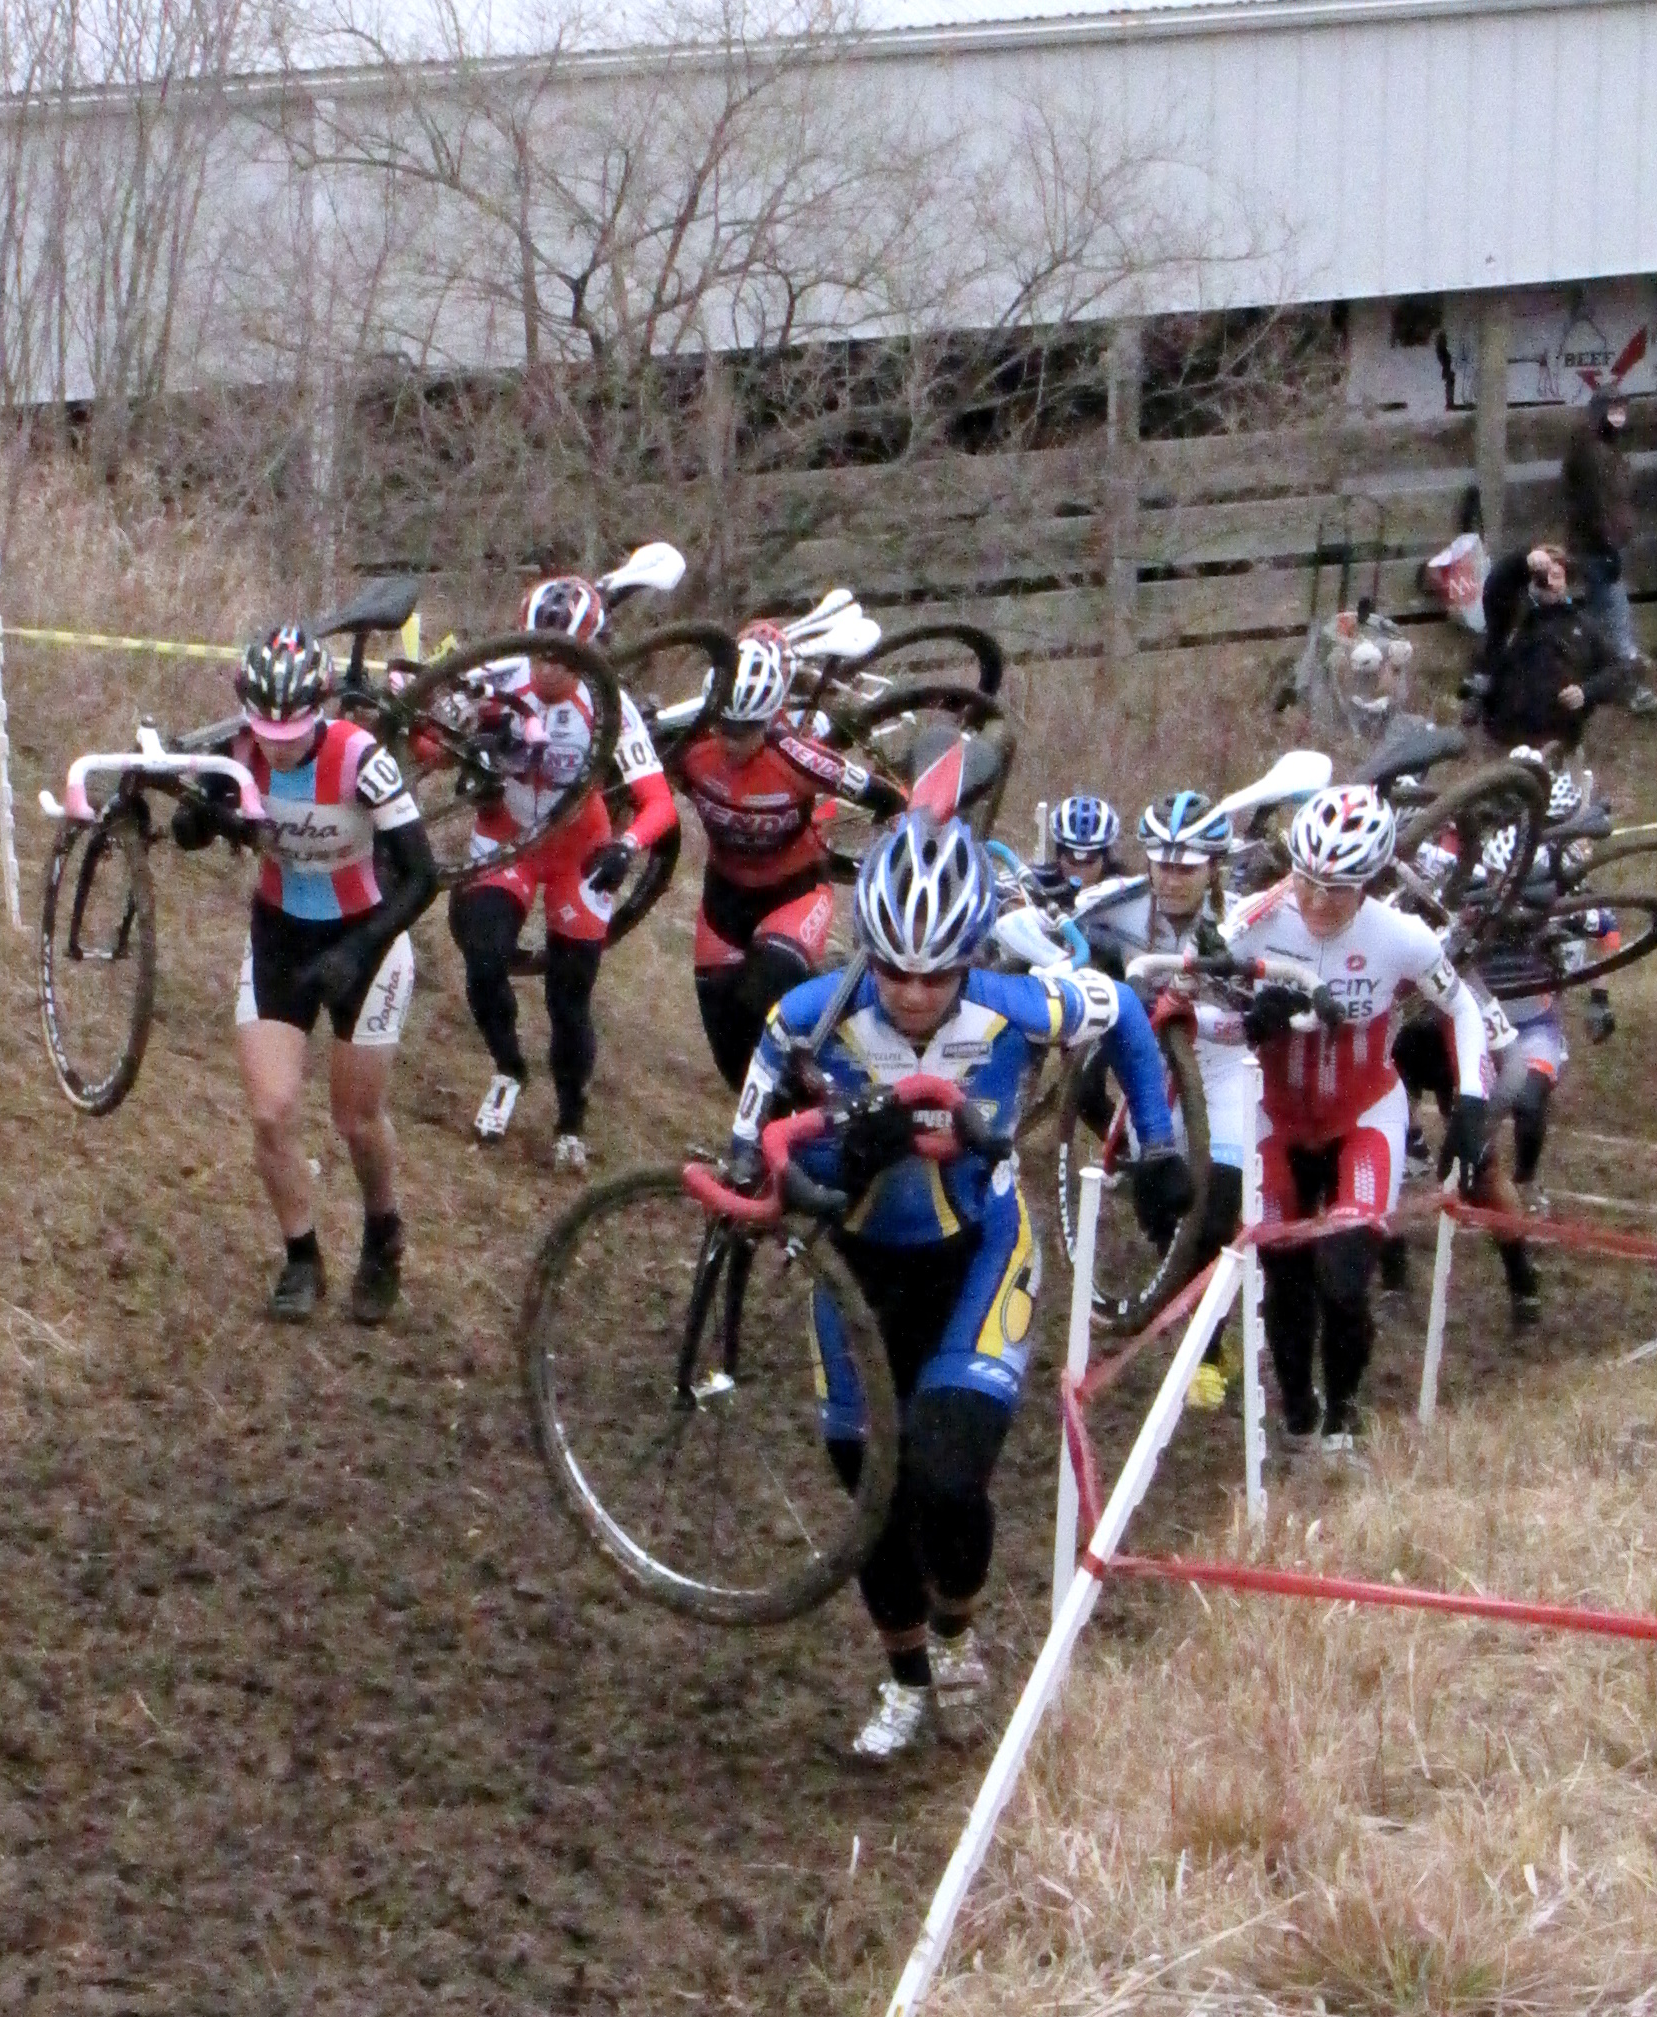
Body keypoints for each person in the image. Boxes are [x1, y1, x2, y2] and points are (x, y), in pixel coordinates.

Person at [727, 811, 1188, 1760]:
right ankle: (902, 1678)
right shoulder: (808, 1017)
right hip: (854, 1265)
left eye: (937, 972)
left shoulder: (1021, 1005)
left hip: (979, 1250)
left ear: (972, 956)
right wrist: (806, 1169)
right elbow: (746, 1161)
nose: (911, 992)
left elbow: (1130, 1016)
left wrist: (1161, 1144)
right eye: (892, 967)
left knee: (945, 1475)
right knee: (872, 1498)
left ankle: (956, 1636)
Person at [180, 624, 438, 1323]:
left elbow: (423, 874)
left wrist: (359, 953)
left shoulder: (360, 757)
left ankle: (383, 1232)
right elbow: (188, 832)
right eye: (265, 727)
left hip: (368, 939)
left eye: (291, 728)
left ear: (320, 707)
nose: (278, 742)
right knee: (270, 1113)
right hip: (280, 938)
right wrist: (204, 809)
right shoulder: (233, 751)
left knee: (355, 1119)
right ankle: (302, 1258)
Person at [1220, 784, 1489, 1456]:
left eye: (1335, 889)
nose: (1313, 901)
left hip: (1363, 1112)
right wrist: (1242, 1020)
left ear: (1368, 883)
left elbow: (1463, 1010)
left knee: (1342, 1280)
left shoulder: (1401, 936)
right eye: (1306, 881)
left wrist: (1474, 1098)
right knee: (1283, 1275)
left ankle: (1342, 1409)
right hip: (1274, 1118)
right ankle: (1299, 1412)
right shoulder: (1254, 918)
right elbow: (1191, 1011)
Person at [433, 575, 678, 1173]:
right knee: (484, 956)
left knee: (569, 996)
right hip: (507, 838)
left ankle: (570, 1117)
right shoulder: (494, 679)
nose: (549, 669)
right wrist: (458, 736)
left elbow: (660, 804)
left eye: (565, 657)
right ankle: (508, 1068)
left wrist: (626, 845)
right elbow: (429, 749)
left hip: (580, 851)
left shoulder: (605, 702)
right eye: (540, 650)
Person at [665, 624, 904, 1088]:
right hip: (724, 898)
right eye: (726, 726)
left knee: (765, 992)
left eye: (748, 729)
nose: (734, 740)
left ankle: (836, 1025)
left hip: (793, 892)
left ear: (770, 718)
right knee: (733, 1057)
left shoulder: (800, 758)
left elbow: (888, 797)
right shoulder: (686, 746)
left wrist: (898, 830)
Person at [1075, 791, 1248, 1410]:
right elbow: (1042, 925)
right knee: (1167, 1212)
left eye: (1187, 867)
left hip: (1227, 1070)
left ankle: (1207, 1346)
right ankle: (1191, 1313)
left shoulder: (1245, 915)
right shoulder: (1115, 903)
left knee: (1219, 1206)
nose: (1171, 879)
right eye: (1162, 864)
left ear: (1215, 868)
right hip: (1156, 1070)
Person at [1474, 541, 1633, 751]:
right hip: (1507, 738)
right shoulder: (1511, 617)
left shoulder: (1582, 625)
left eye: (1556, 575)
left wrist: (1586, 692)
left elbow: (1620, 670)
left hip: (1559, 741)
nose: (1548, 582)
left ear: (1566, 581)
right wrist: (1524, 561)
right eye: (1541, 577)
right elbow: (1496, 587)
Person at [1561, 391, 1657, 715]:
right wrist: (1607, 546)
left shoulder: (1601, 448)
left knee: (1600, 613)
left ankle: (1586, 671)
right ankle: (1627, 683)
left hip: (1599, 543)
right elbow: (1594, 505)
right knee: (1615, 614)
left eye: (1622, 410)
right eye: (1614, 411)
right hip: (1596, 545)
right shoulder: (1593, 453)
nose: (1620, 417)